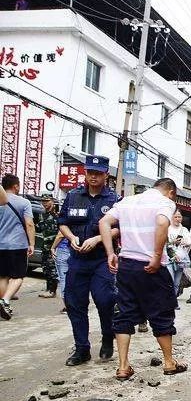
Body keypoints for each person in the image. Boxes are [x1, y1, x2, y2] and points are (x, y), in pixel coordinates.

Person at [99, 178, 188, 380]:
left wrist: (110, 253)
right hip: (151, 267)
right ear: (171, 192)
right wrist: (157, 256)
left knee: (124, 312)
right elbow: (162, 222)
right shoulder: (164, 202)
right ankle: (168, 362)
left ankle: (123, 366)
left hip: (126, 265)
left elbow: (103, 222)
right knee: (162, 312)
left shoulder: (128, 201)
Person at [58, 155, 119, 366]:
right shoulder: (73, 195)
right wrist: (71, 237)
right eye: (90, 172)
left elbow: (119, 228)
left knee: (105, 300)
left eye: (98, 173)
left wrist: (97, 238)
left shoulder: (113, 200)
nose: (93, 177)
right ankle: (82, 349)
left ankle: (107, 336)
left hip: (102, 259)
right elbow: (63, 222)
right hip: (77, 259)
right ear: (86, 173)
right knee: (75, 304)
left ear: (105, 174)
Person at [0, 174, 34, 320]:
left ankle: (4, 304)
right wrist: (31, 243)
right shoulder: (24, 202)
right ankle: (5, 300)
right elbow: (29, 224)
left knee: (2, 276)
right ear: (16, 186)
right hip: (18, 244)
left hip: (0, 244)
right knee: (18, 276)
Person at [37, 193, 59, 298]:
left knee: (52, 269)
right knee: (46, 268)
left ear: (52, 201)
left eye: (47, 201)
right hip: (45, 246)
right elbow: (39, 228)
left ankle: (52, 291)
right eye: (43, 201)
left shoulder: (58, 214)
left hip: (55, 246)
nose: (45, 203)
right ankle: (48, 289)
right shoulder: (42, 215)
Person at [167, 209, 191, 305]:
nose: (177, 218)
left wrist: (182, 242)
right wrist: (173, 242)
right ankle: (168, 301)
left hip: (181, 259)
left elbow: (189, 242)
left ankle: (173, 301)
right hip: (169, 258)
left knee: (177, 282)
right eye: (176, 216)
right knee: (170, 280)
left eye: (179, 216)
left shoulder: (184, 230)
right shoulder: (168, 228)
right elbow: (165, 243)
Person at [51, 230, 70, 313]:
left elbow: (61, 234)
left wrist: (53, 247)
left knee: (64, 279)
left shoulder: (66, 217)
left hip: (64, 249)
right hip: (78, 250)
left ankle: (68, 306)